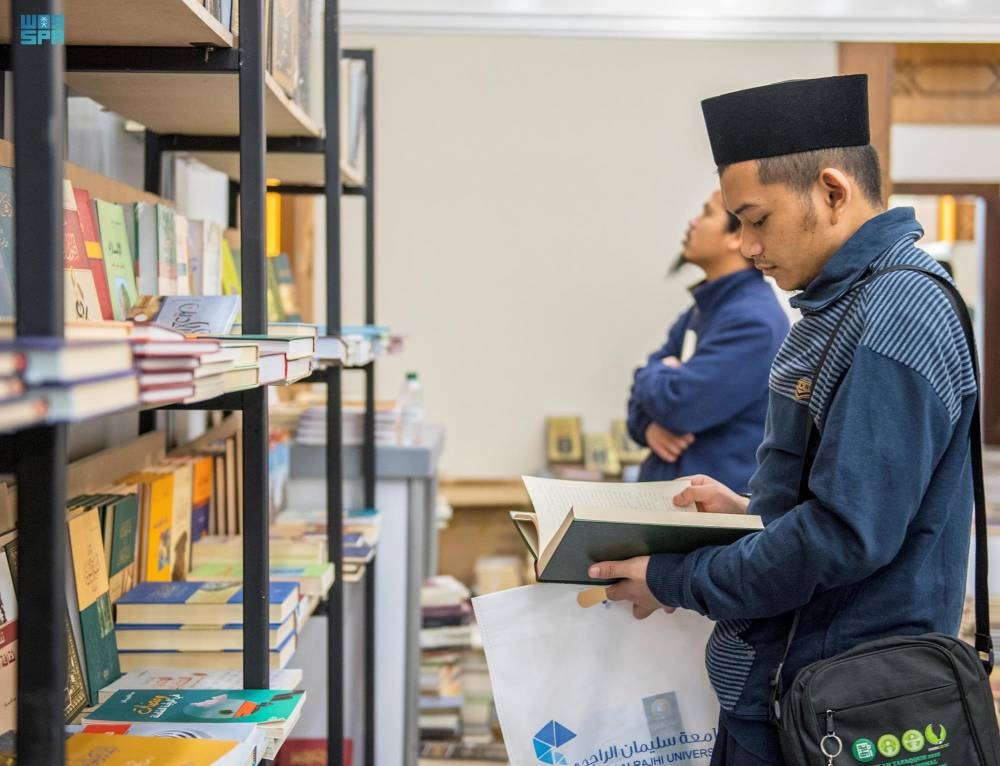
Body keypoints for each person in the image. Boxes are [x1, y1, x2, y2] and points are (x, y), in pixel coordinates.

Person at [591, 74, 976, 766]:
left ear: (832, 192)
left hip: (836, 712)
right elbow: (847, 503)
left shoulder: (898, 311)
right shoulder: (844, 302)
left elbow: (844, 535)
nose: (744, 245)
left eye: (756, 219)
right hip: (788, 698)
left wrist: (676, 578)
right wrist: (750, 513)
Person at [627, 191, 788, 492]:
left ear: (735, 236)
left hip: (709, 511)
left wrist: (656, 374)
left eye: (706, 213)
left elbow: (679, 406)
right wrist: (647, 426)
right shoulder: (704, 309)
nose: (692, 222)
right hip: (675, 504)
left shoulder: (753, 321)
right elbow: (639, 393)